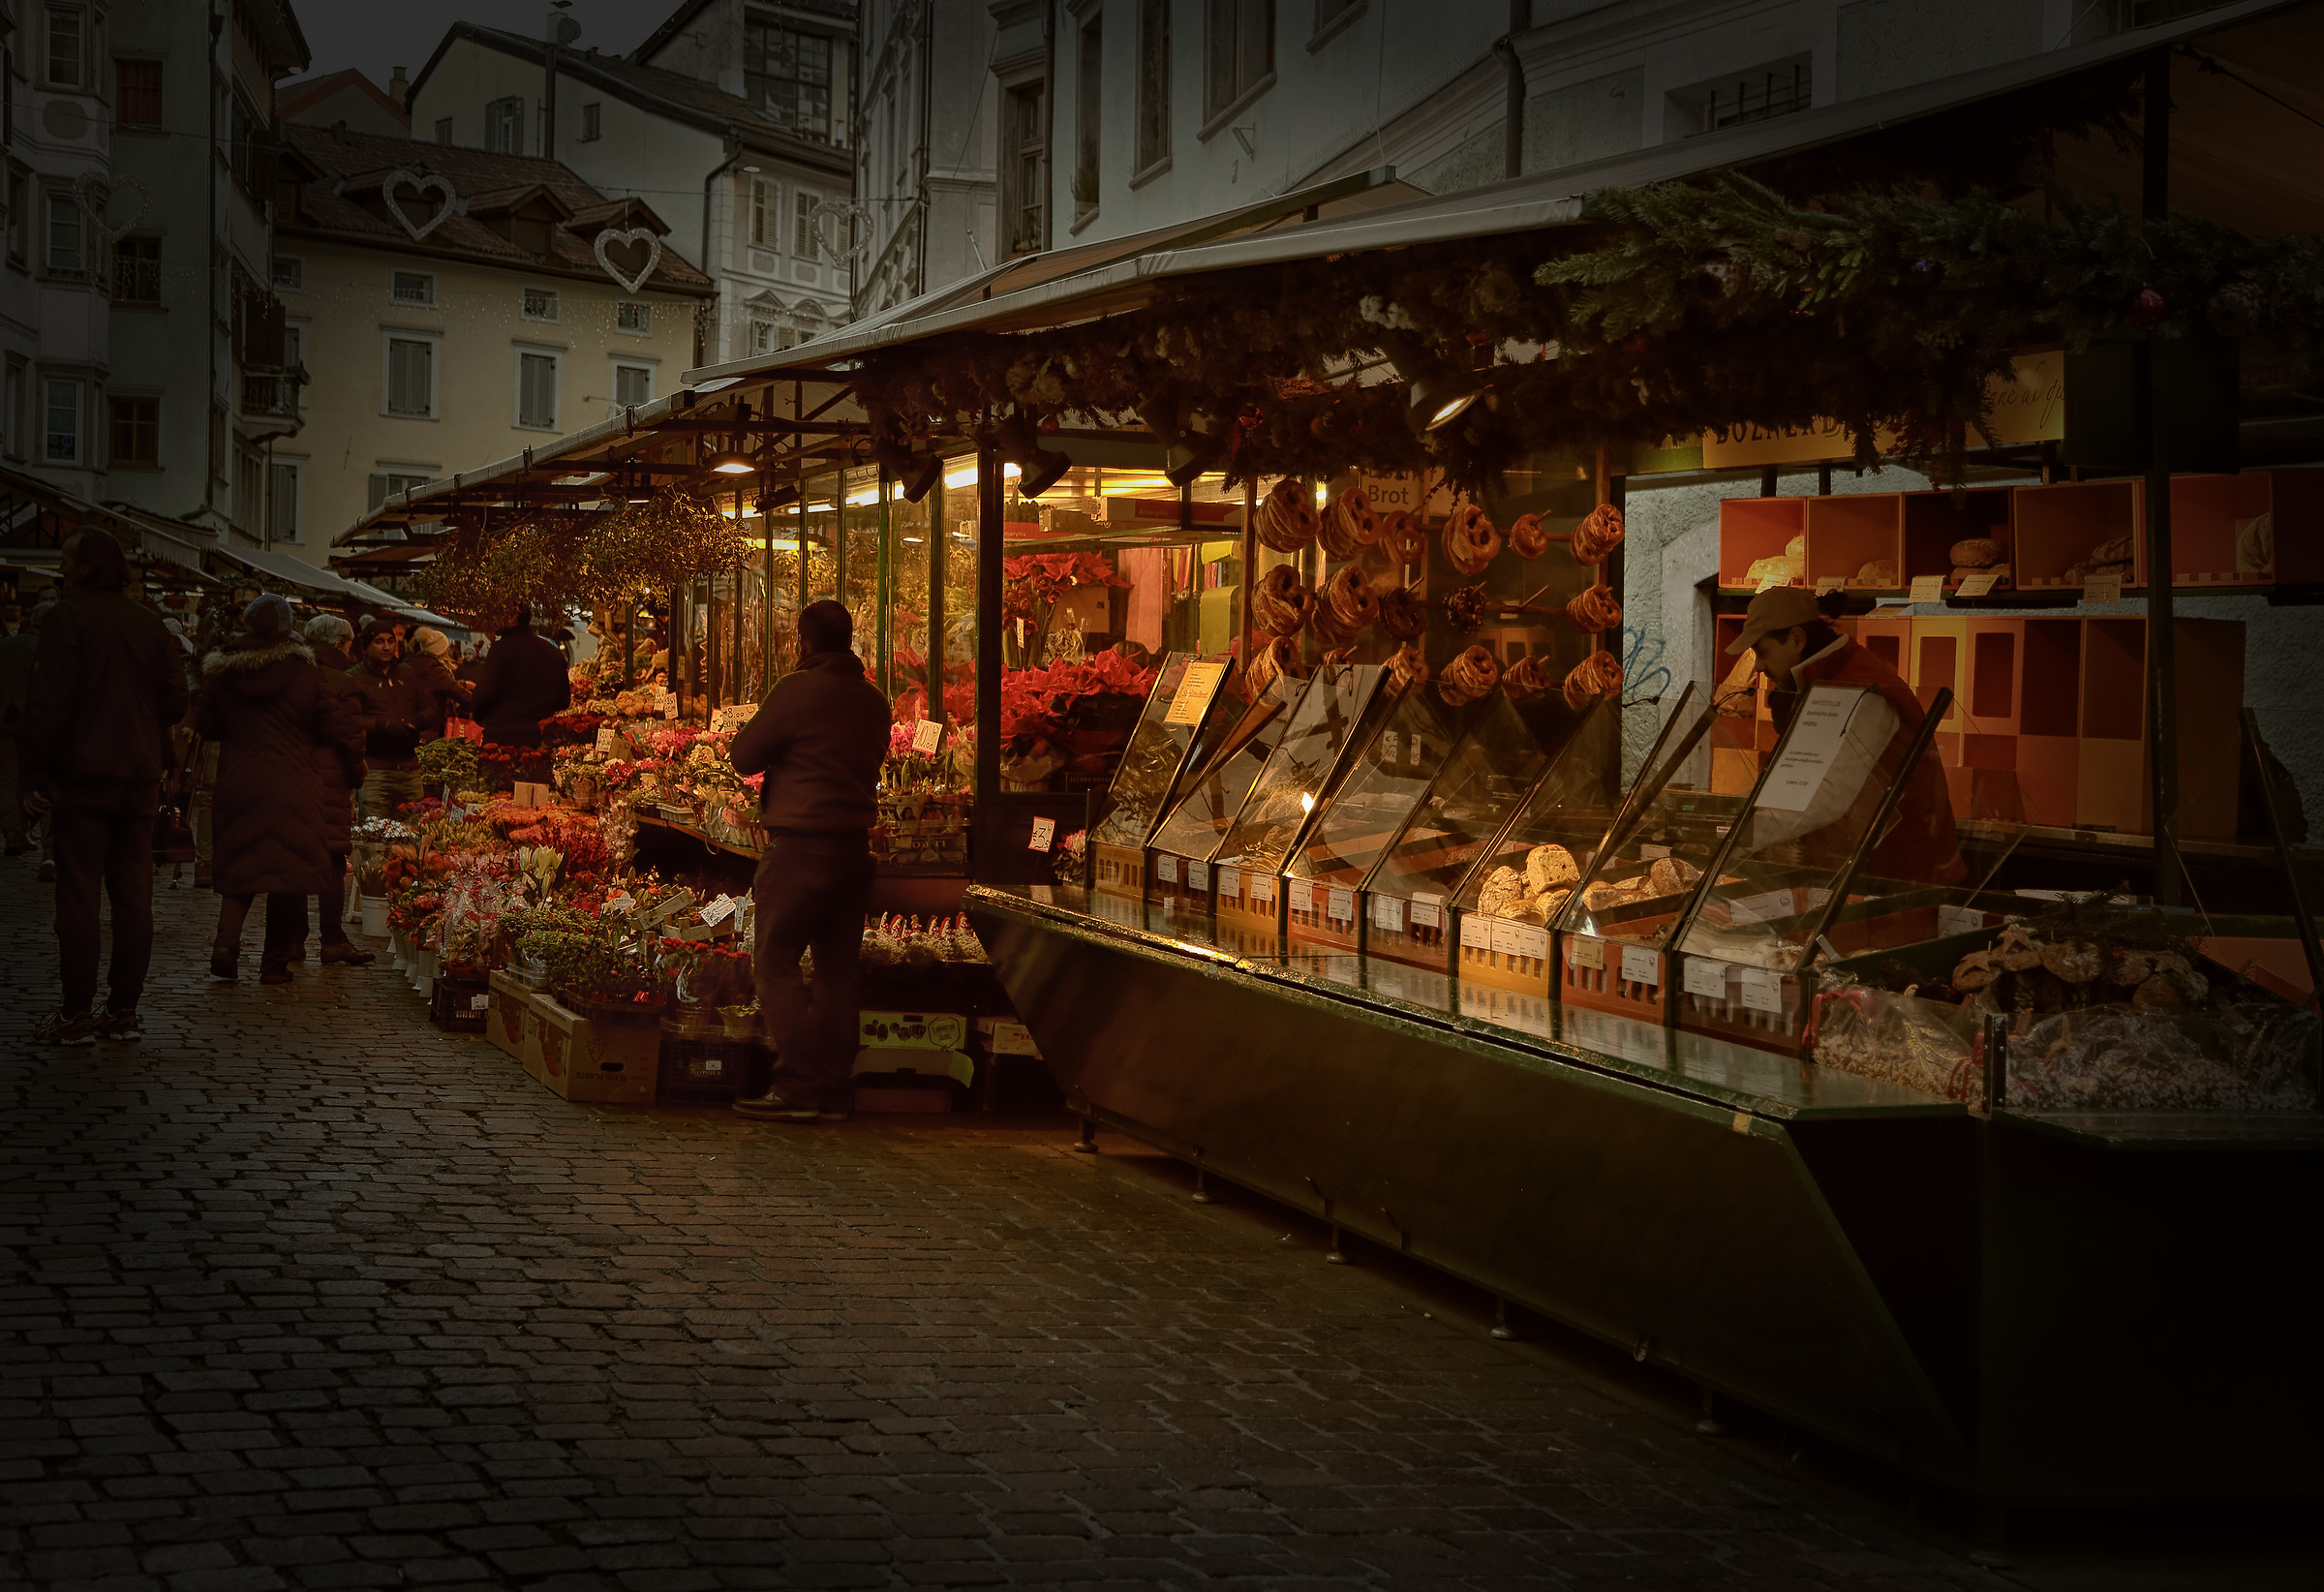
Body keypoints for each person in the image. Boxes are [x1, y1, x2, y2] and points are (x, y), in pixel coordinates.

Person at [20, 533, 191, 1044]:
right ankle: (122, 1009)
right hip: (137, 776)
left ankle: (77, 1012)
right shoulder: (149, 625)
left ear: (86, 568)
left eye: (68, 560)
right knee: (133, 896)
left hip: (83, 775)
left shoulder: (67, 618)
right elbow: (175, 704)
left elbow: (48, 706)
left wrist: (35, 778)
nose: (62, 567)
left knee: (79, 896)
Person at [726, 599, 892, 1123]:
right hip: (853, 849)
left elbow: (744, 754)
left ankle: (797, 1083)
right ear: (850, 641)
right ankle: (833, 1087)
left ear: (803, 642)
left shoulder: (797, 690)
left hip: (800, 849)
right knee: (837, 971)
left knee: (774, 962)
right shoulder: (874, 701)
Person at [1727, 587, 1964, 886]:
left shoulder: (1863, 690)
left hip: (1903, 877)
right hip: (1858, 869)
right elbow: (1794, 778)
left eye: (1762, 652)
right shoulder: (1822, 682)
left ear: (1797, 638)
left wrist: (1739, 835)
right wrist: (1720, 814)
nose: (1759, 667)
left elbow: (1828, 795)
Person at [198, 595, 355, 984]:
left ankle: (226, 946)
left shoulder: (223, 671)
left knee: (240, 868)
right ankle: (273, 964)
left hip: (239, 780)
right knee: (289, 873)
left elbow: (206, 724)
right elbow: (330, 727)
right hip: (294, 783)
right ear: (288, 628)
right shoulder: (306, 671)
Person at [298, 615, 375, 966]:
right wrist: (357, 774)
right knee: (331, 859)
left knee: (295, 858)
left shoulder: (295, 673)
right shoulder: (343, 681)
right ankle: (331, 939)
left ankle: (291, 943)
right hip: (331, 780)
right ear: (342, 643)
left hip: (295, 775)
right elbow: (352, 739)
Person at [348, 618, 433, 819]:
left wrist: (416, 721)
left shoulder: (408, 674)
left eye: (390, 641)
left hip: (410, 768)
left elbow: (430, 708)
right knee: (374, 833)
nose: (386, 647)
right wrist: (383, 725)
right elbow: (349, 720)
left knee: (415, 831)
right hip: (375, 771)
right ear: (367, 646)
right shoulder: (354, 678)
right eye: (379, 641)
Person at [467, 605, 571, 747]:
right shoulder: (552, 652)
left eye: (497, 614)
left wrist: (479, 715)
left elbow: (483, 696)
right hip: (540, 742)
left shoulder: (500, 650)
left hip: (502, 742)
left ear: (513, 616)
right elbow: (563, 701)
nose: (492, 620)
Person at [0, 599, 47, 856]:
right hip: (31, 720)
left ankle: (12, 832)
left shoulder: (5, 645)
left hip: (3, 719)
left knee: (7, 778)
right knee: (34, 778)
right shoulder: (45, 648)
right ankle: (24, 829)